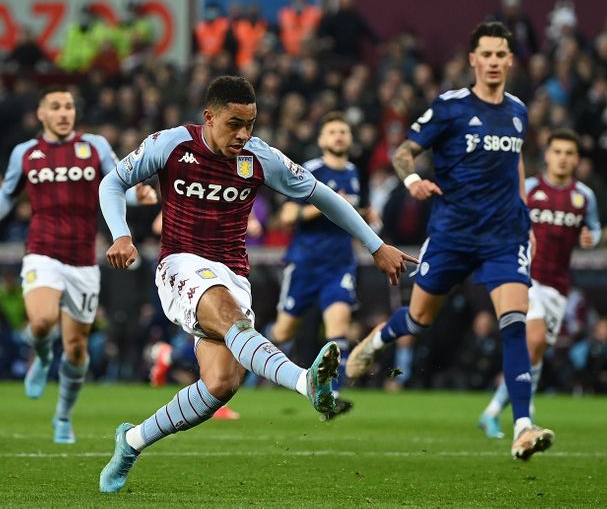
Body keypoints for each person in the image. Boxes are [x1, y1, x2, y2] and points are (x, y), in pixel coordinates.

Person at [97, 75, 415, 493]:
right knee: (231, 320)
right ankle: (306, 382)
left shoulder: (259, 158)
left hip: (232, 273)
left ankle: (132, 440)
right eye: (234, 124)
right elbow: (112, 182)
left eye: (250, 124)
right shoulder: (170, 144)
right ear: (209, 118)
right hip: (180, 264)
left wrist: (375, 245)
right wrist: (121, 233)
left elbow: (325, 197)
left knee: (221, 385)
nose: (243, 134)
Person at [344, 21, 555, 460]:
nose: (495, 62)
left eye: (502, 54)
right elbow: (404, 153)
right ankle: (376, 340)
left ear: (510, 61)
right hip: (453, 233)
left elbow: (514, 165)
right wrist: (415, 179)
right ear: (473, 60)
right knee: (419, 320)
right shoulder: (450, 107)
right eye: (488, 55)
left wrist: (524, 214)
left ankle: (522, 425)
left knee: (514, 322)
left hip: (503, 234)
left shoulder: (518, 110)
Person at [0, 86, 157, 444]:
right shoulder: (25, 153)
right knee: (40, 321)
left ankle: (63, 416)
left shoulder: (95, 146)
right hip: (41, 250)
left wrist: (138, 193)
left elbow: (119, 182)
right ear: (41, 114)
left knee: (76, 349)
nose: (64, 112)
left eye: (69, 106)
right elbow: (8, 194)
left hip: (83, 259)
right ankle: (41, 355)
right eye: (56, 107)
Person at [477, 129, 601, 438]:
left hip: (558, 287)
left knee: (535, 352)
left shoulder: (584, 196)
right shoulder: (529, 188)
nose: (562, 158)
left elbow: (595, 228)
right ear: (547, 155)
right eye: (557, 151)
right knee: (531, 340)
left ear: (577, 160)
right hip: (523, 277)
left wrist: (591, 238)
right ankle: (525, 415)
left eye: (569, 153)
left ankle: (492, 412)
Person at [270, 111, 362, 420]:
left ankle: (330, 397)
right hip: (305, 264)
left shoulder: (353, 172)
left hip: (339, 264)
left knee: (338, 330)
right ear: (321, 140)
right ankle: (239, 375)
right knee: (282, 331)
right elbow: (285, 216)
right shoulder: (308, 171)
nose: (339, 136)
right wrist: (327, 204)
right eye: (333, 131)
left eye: (343, 131)